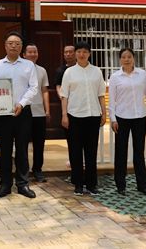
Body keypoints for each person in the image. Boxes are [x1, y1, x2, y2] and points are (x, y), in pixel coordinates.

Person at [0, 32, 38, 199]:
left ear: (21, 47)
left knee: (22, 149)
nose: (14, 46)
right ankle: (5, 184)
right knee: (5, 150)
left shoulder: (29, 65)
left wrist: (21, 103)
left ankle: (23, 184)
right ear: (5, 46)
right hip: (3, 114)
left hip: (23, 112)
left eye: (17, 43)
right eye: (10, 43)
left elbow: (33, 88)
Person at [59, 41, 107, 196]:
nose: (81, 54)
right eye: (79, 51)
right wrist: (64, 115)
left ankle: (92, 184)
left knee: (91, 151)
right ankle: (78, 184)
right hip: (74, 116)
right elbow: (64, 96)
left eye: (85, 51)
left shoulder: (97, 71)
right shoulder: (69, 72)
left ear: (89, 54)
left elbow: (101, 94)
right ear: (75, 54)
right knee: (75, 151)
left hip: (93, 115)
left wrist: (104, 113)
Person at [108, 47, 146, 196]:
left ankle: (142, 185)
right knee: (121, 152)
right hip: (121, 118)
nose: (127, 59)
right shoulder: (115, 77)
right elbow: (112, 100)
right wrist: (113, 119)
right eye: (123, 57)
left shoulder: (142, 74)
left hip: (139, 117)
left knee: (139, 152)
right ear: (120, 60)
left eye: (129, 56)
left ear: (134, 58)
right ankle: (120, 185)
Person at [23, 42, 50, 183]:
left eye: (35, 52)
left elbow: (44, 91)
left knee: (39, 143)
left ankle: (37, 170)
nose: (33, 54)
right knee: (23, 143)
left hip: (39, 112)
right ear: (24, 54)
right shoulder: (20, 69)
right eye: (30, 52)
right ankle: (23, 171)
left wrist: (47, 109)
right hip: (23, 111)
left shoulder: (42, 70)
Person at [54, 44, 76, 182]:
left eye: (70, 52)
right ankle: (72, 160)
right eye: (65, 52)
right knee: (70, 136)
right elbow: (58, 86)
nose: (68, 54)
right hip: (66, 107)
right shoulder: (60, 70)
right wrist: (62, 96)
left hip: (81, 108)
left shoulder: (81, 68)